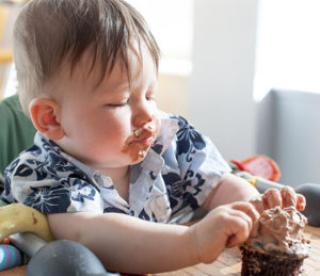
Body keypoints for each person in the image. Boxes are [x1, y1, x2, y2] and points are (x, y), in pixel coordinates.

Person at [1, 0, 305, 274]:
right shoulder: (41, 176)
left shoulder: (169, 142)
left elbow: (219, 184)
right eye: (120, 102)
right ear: (51, 118)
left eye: (149, 94)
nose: (148, 114)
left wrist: (255, 212)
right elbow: (94, 234)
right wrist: (192, 242)